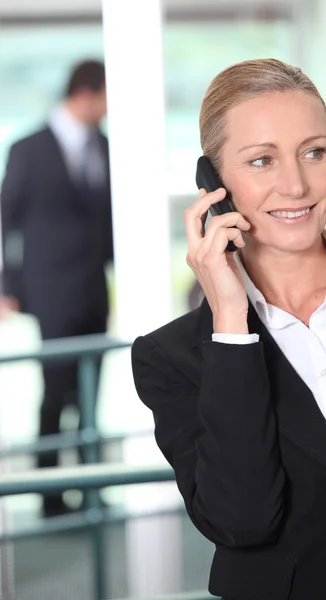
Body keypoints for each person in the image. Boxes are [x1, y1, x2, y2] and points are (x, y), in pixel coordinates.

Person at [131, 57, 326, 599]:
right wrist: (231, 323)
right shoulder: (174, 357)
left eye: (314, 152)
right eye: (261, 161)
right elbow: (242, 519)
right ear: (212, 183)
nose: (296, 184)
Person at [0, 59, 113, 517]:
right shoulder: (28, 148)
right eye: (105, 98)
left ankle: (91, 484)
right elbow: (5, 221)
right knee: (56, 389)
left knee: (92, 392)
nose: (108, 109)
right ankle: (50, 492)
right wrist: (6, 285)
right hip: (50, 289)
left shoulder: (105, 146)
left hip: (93, 287)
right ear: (85, 94)